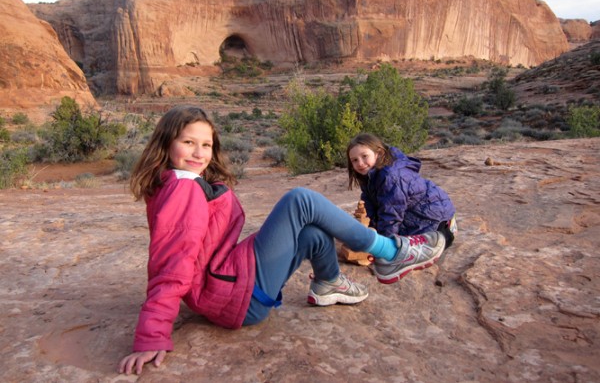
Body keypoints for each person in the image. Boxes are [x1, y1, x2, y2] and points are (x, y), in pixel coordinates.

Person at [118, 106, 437, 375]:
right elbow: (172, 263)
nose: (200, 153)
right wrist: (151, 336)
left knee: (312, 232)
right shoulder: (182, 190)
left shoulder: (183, 182)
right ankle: (389, 250)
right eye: (188, 142)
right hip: (235, 299)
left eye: (206, 144)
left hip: (229, 280)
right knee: (300, 201)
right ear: (167, 143)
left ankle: (329, 283)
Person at [346, 133, 457, 284]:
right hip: (419, 216)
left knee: (396, 250)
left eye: (364, 156)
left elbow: (391, 213)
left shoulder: (391, 176)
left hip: (434, 218)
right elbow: (373, 206)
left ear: (379, 153)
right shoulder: (372, 176)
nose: (360, 163)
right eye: (354, 160)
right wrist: (375, 231)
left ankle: (440, 238)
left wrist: (384, 247)